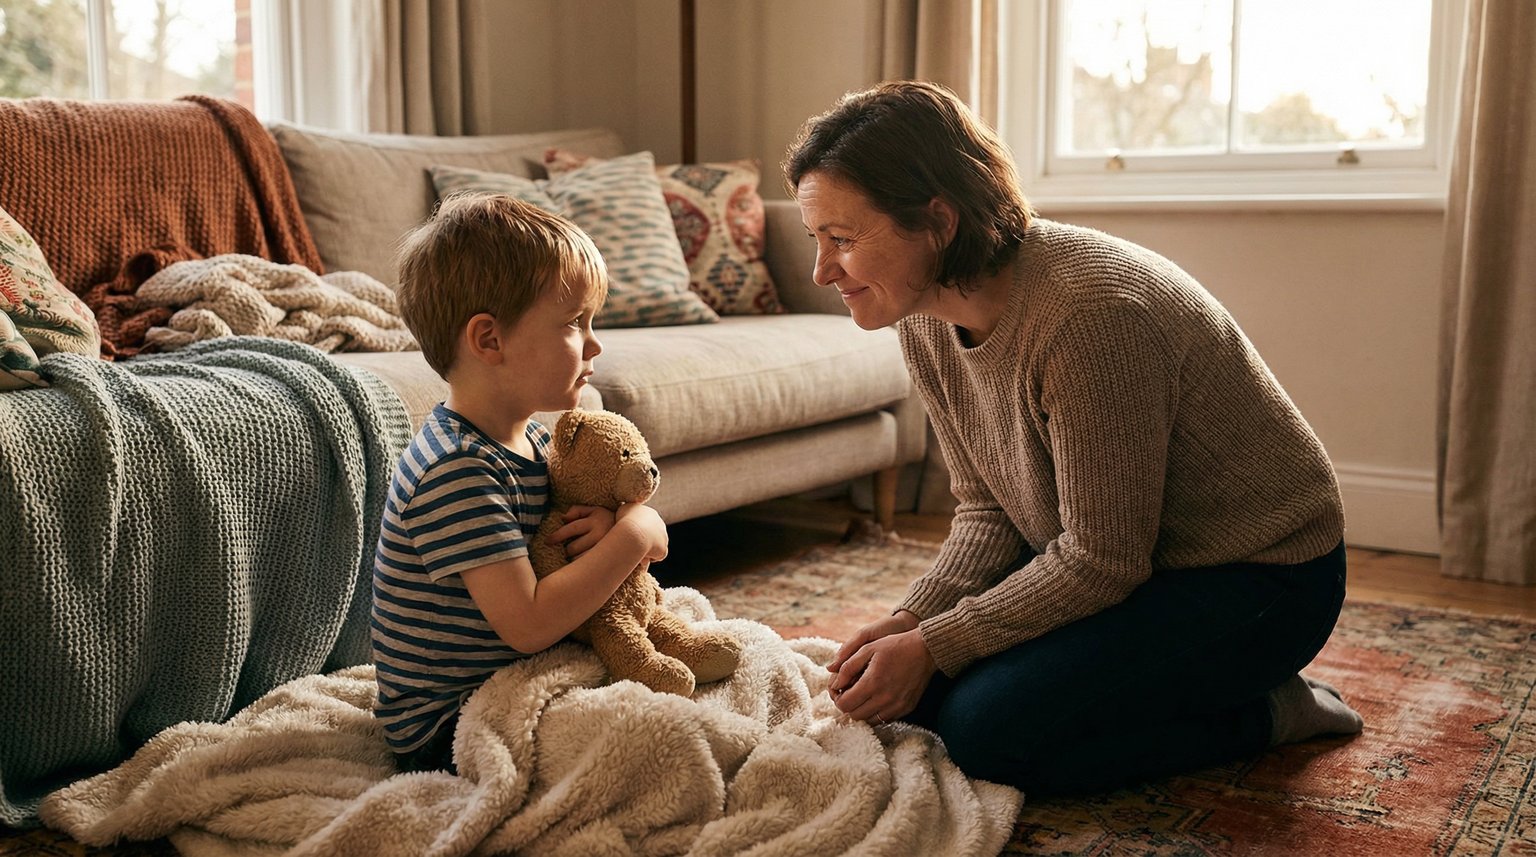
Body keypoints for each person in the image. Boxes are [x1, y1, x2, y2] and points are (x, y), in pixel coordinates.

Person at [786, 80, 1364, 796]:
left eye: (842, 240)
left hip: (1260, 577)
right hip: (1127, 557)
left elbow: (1102, 558)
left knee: (986, 733)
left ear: (936, 219)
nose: (821, 271)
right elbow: (987, 507)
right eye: (817, 241)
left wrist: (936, 643)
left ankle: (1267, 710)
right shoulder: (922, 315)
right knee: (918, 701)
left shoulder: (1094, 315)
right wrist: (912, 619)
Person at [370, 193, 669, 773]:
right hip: (445, 722)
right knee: (648, 740)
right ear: (489, 340)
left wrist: (605, 528)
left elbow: (550, 547)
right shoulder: (455, 468)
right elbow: (530, 622)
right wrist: (635, 534)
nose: (595, 343)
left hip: (508, 675)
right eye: (573, 323)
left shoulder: (530, 440)